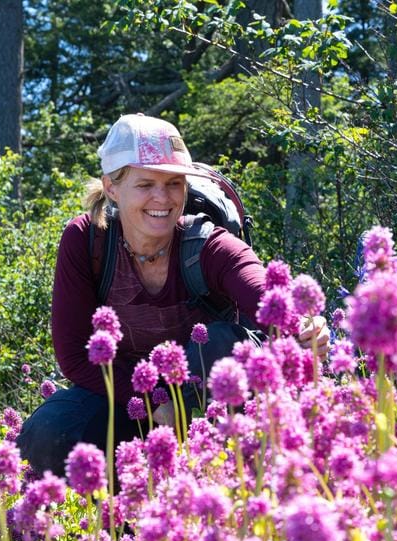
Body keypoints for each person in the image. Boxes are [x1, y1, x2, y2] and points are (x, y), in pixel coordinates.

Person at [17, 113, 326, 479]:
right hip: (126, 399)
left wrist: (302, 321)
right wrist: (153, 400)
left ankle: (238, 480)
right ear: (112, 187)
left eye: (174, 183)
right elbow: (74, 357)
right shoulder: (87, 241)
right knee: (51, 432)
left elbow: (261, 289)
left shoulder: (207, 244)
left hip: (214, 401)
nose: (162, 198)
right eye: (145, 184)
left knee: (225, 346)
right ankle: (122, 524)